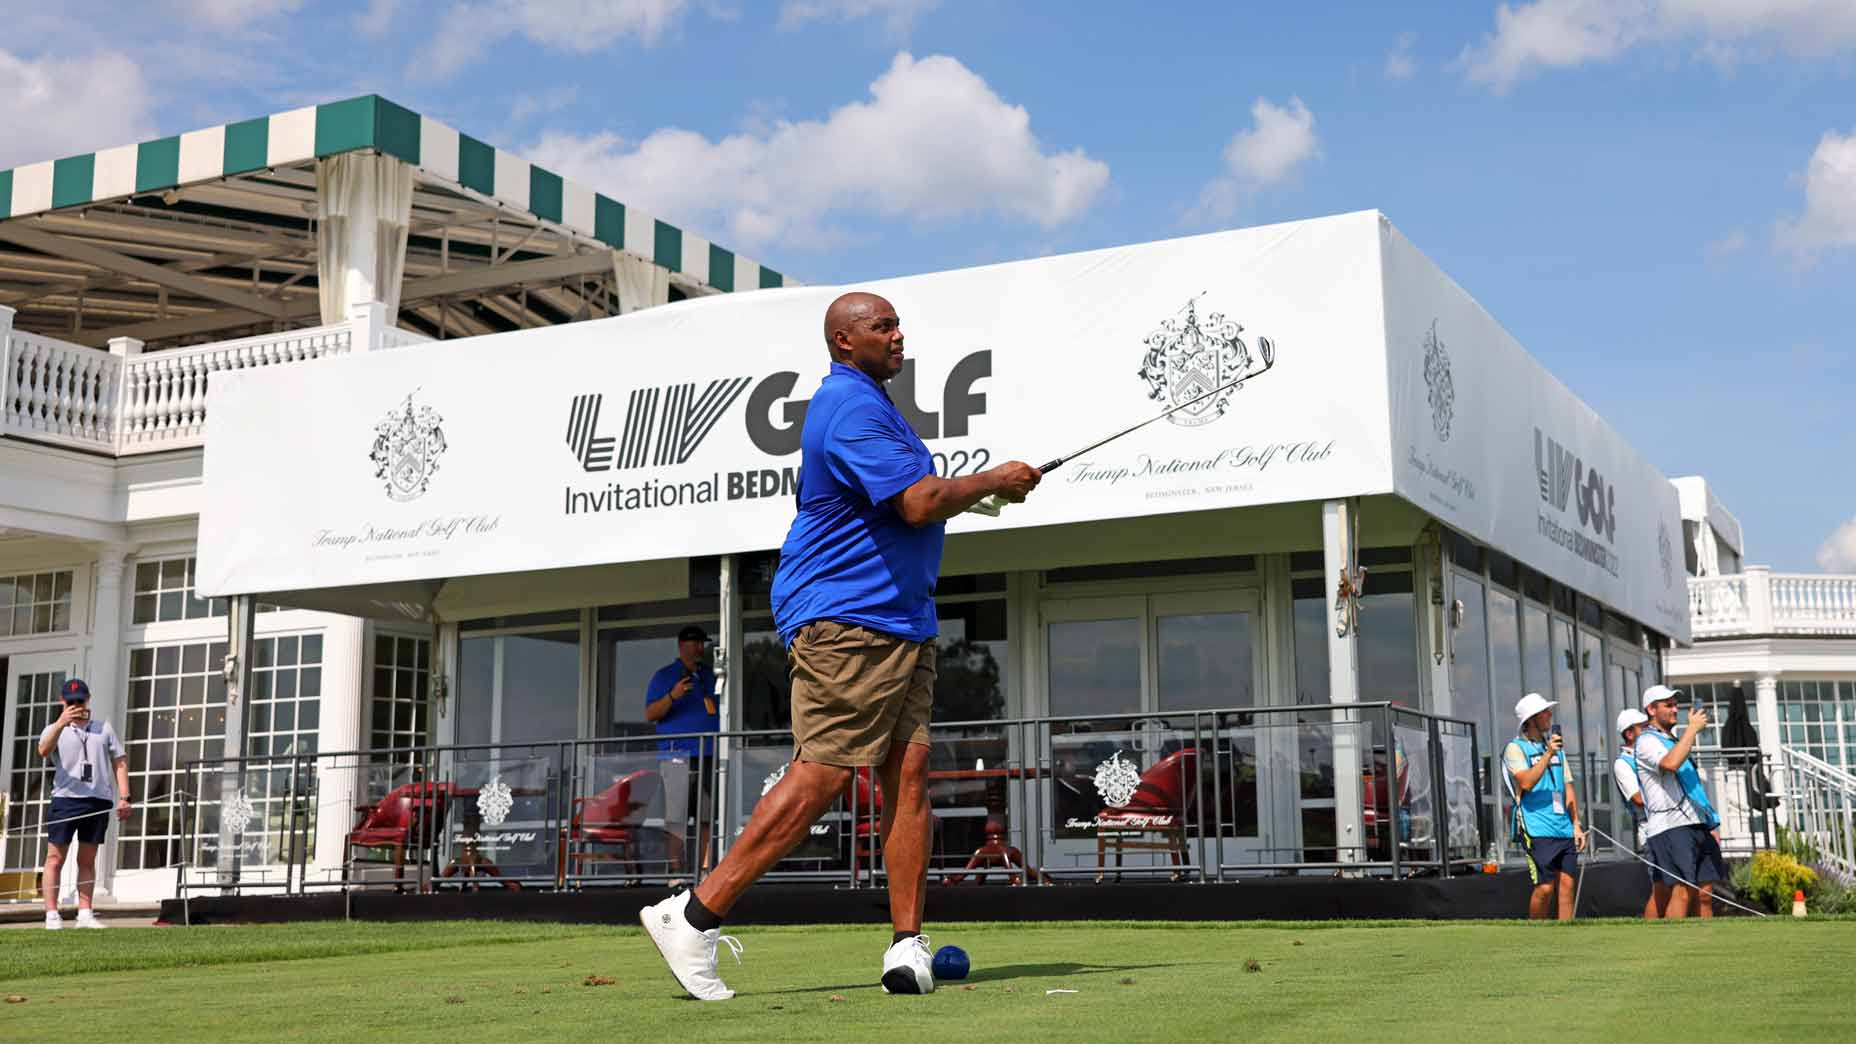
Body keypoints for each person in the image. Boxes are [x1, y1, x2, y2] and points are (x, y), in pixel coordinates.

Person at [639, 291, 1041, 1001]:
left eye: (896, 323)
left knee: (907, 774)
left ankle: (905, 946)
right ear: (842, 341)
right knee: (822, 776)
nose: (897, 334)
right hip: (847, 621)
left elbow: (907, 501)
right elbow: (916, 503)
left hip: (902, 621)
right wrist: (993, 478)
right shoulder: (849, 405)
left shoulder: (876, 408)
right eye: (881, 326)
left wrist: (974, 496)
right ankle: (694, 917)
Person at [37, 678, 130, 930]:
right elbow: (43, 750)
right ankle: (51, 914)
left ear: (88, 700)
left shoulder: (103, 729)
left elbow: (119, 762)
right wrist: (61, 722)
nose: (76, 705)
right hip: (65, 799)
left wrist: (125, 796)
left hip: (97, 800)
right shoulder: (54, 728)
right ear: (62, 701)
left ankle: (85, 912)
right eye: (71, 701)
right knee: (55, 857)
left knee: (88, 859)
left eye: (80, 700)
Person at [1631, 684, 1726, 919]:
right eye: (1668, 705)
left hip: (1695, 822)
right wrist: (1692, 730)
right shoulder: (1645, 741)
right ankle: (1673, 947)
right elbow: (1669, 764)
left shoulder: (1671, 739)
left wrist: (1708, 823)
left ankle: (1706, 947)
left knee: (1705, 892)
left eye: (1675, 704)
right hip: (1670, 826)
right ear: (1651, 710)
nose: (1675, 709)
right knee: (1682, 889)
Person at [643, 624, 719, 877]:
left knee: (706, 816)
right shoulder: (665, 676)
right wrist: (672, 696)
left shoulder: (710, 674)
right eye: (695, 642)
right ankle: (676, 872)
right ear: (681, 645)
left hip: (708, 755)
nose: (700, 647)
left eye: (702, 643)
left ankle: (704, 871)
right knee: (676, 817)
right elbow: (651, 713)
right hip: (676, 756)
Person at [1503, 692, 1585, 920]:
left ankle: (1566, 940)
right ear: (1530, 719)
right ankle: (1536, 936)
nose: (1550, 715)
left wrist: (1576, 824)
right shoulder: (1515, 748)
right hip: (1536, 827)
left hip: (1563, 827)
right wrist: (1548, 753)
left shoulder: (1556, 748)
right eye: (1544, 712)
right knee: (1545, 888)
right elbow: (1526, 782)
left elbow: (1568, 787)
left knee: (1567, 886)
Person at [1613, 708, 1672, 919]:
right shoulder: (1622, 763)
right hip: (1651, 830)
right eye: (1643, 728)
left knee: (1672, 887)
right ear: (1630, 734)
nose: (1648, 731)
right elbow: (1637, 797)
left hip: (1669, 824)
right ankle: (1651, 937)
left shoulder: (1647, 755)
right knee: (1661, 888)